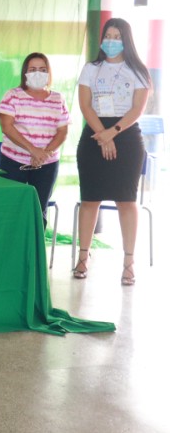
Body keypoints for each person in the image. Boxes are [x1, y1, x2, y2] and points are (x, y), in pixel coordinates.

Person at [74, 18, 152, 285]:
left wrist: (112, 133)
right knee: (90, 199)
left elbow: (137, 109)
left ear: (126, 40)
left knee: (126, 201)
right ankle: (83, 258)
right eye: (108, 35)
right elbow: (85, 105)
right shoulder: (91, 68)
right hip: (94, 134)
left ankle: (129, 262)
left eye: (117, 35)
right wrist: (102, 135)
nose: (111, 40)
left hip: (126, 136)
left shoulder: (138, 70)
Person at [0, 53, 69, 227]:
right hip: (14, 161)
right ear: (25, 73)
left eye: (43, 69)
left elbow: (63, 131)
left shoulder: (58, 98)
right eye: (33, 69)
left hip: (47, 163)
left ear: (49, 73)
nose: (38, 73)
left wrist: (44, 154)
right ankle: (12, 252)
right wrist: (33, 150)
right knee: (12, 208)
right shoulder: (12, 95)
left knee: (39, 209)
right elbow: (7, 126)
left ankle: (35, 251)